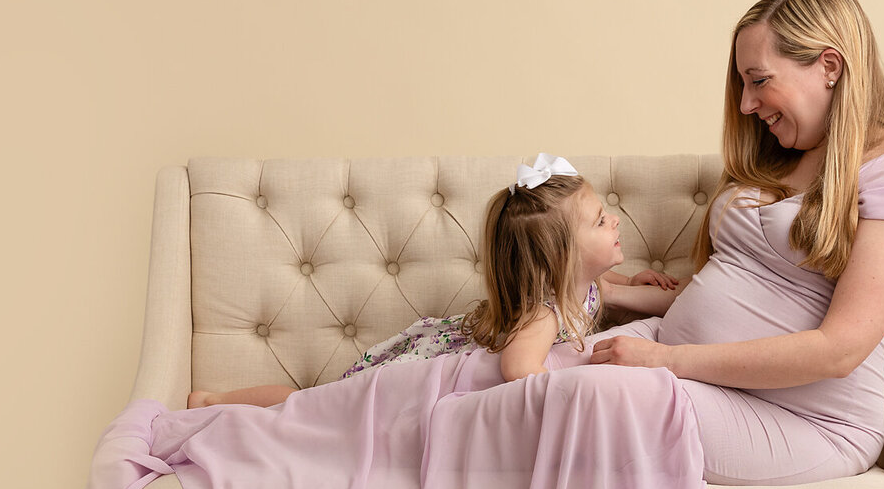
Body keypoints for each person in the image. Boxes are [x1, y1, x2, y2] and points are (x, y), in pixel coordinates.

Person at [565, 0, 884, 487]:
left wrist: (668, 360)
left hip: (806, 422)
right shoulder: (785, 154)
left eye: (759, 80)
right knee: (527, 369)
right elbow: (759, 301)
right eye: (742, 84)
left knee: (591, 400)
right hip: (697, 369)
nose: (747, 104)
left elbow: (838, 350)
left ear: (830, 67)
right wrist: (612, 293)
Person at [188, 155, 677, 409]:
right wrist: (566, 392)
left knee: (309, 407)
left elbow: (642, 298)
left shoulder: (590, 287)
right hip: (412, 378)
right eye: (598, 222)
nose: (613, 220)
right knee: (308, 405)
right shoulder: (545, 315)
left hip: (437, 352)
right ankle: (213, 401)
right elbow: (518, 366)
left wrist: (646, 286)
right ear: (561, 258)